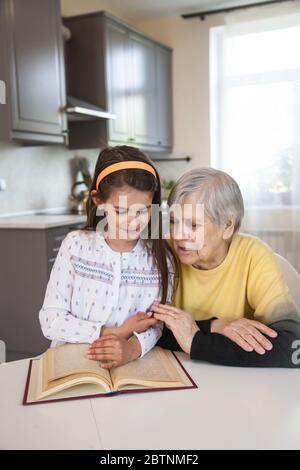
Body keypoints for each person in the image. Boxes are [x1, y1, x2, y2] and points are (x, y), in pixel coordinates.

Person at [39, 146, 176, 369]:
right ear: (98, 201)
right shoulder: (76, 246)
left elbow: (155, 325)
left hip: (132, 366)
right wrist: (115, 333)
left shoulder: (161, 258)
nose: (133, 221)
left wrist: (131, 349)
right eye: (121, 211)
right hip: (70, 364)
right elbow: (50, 320)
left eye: (142, 211)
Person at [152, 168, 300, 368]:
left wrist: (196, 341)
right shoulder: (163, 252)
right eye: (173, 222)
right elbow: (142, 328)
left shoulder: (253, 255)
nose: (178, 235)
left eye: (193, 225)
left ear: (227, 226)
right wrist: (213, 326)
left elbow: (293, 346)